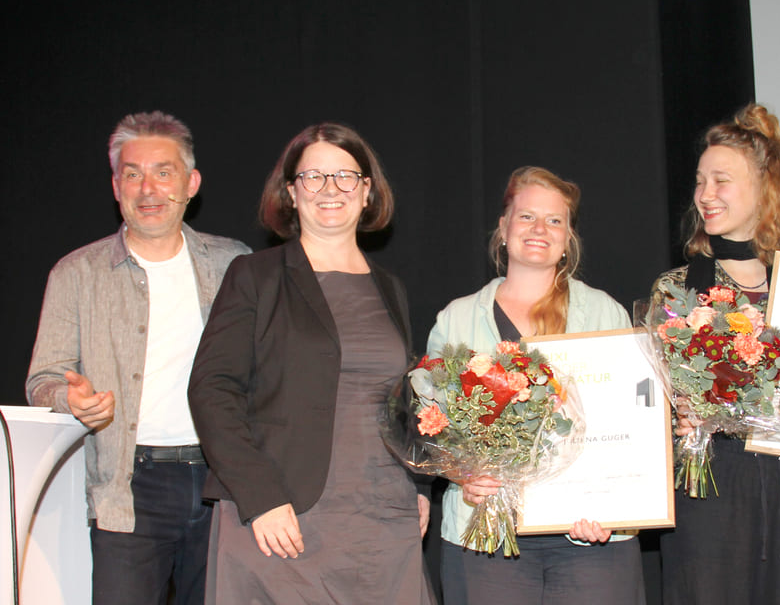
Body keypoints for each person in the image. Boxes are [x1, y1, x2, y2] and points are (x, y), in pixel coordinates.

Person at [187, 123, 432, 604]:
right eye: (313, 177)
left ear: (366, 192)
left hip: (383, 514)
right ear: (291, 192)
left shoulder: (390, 288)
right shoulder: (254, 276)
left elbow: (406, 399)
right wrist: (260, 499)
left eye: (344, 176)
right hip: (284, 516)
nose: (329, 189)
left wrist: (421, 481)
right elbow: (212, 390)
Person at [26, 111, 251, 605]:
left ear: (191, 183)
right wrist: (70, 398)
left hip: (224, 483)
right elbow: (42, 378)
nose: (148, 188)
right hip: (128, 488)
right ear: (115, 185)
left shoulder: (235, 263)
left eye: (163, 172)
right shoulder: (76, 273)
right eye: (132, 173)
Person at [651, 103, 780, 605]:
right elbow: (651, 408)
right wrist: (677, 414)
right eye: (700, 182)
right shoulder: (675, 290)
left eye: (721, 181)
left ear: (766, 191)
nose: (705, 195)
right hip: (712, 498)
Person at [426, 166, 644, 605]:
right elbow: (431, 424)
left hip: (590, 535)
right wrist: (462, 473)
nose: (539, 229)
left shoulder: (606, 315)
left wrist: (615, 506)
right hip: (484, 531)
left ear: (568, 239)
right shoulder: (456, 319)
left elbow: (630, 425)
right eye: (526, 217)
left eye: (555, 220)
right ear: (503, 228)